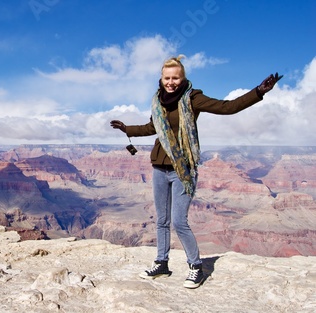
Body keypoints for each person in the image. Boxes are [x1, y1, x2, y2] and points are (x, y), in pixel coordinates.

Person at [110, 55, 282, 289]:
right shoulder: (157, 100)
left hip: (183, 169)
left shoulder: (193, 98)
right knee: (161, 220)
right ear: (161, 79)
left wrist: (259, 92)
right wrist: (126, 128)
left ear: (183, 78)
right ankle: (161, 263)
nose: (171, 82)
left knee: (179, 221)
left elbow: (227, 107)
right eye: (167, 78)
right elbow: (153, 127)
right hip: (159, 168)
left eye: (175, 78)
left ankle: (195, 267)